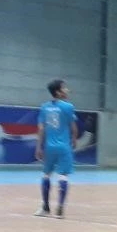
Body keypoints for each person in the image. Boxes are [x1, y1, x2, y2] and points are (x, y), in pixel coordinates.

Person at [35, 79, 78, 219]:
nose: (67, 90)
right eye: (64, 88)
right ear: (58, 92)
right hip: (64, 146)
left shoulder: (44, 107)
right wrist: (74, 139)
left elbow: (41, 128)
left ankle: (45, 207)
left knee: (46, 175)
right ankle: (60, 207)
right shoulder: (68, 107)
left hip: (49, 147)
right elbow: (73, 127)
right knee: (63, 176)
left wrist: (39, 147)